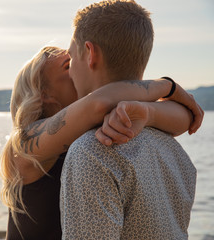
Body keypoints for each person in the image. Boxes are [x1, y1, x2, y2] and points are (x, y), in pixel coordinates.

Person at [0, 46, 203, 239]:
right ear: (45, 94)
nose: (81, 66)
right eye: (68, 66)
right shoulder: (23, 145)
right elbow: (98, 103)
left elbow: (185, 119)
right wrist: (167, 85)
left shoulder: (91, 126)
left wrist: (149, 113)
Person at [60, 1, 201, 239]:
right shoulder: (174, 151)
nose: (70, 71)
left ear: (90, 53)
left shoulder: (91, 153)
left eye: (71, 58)